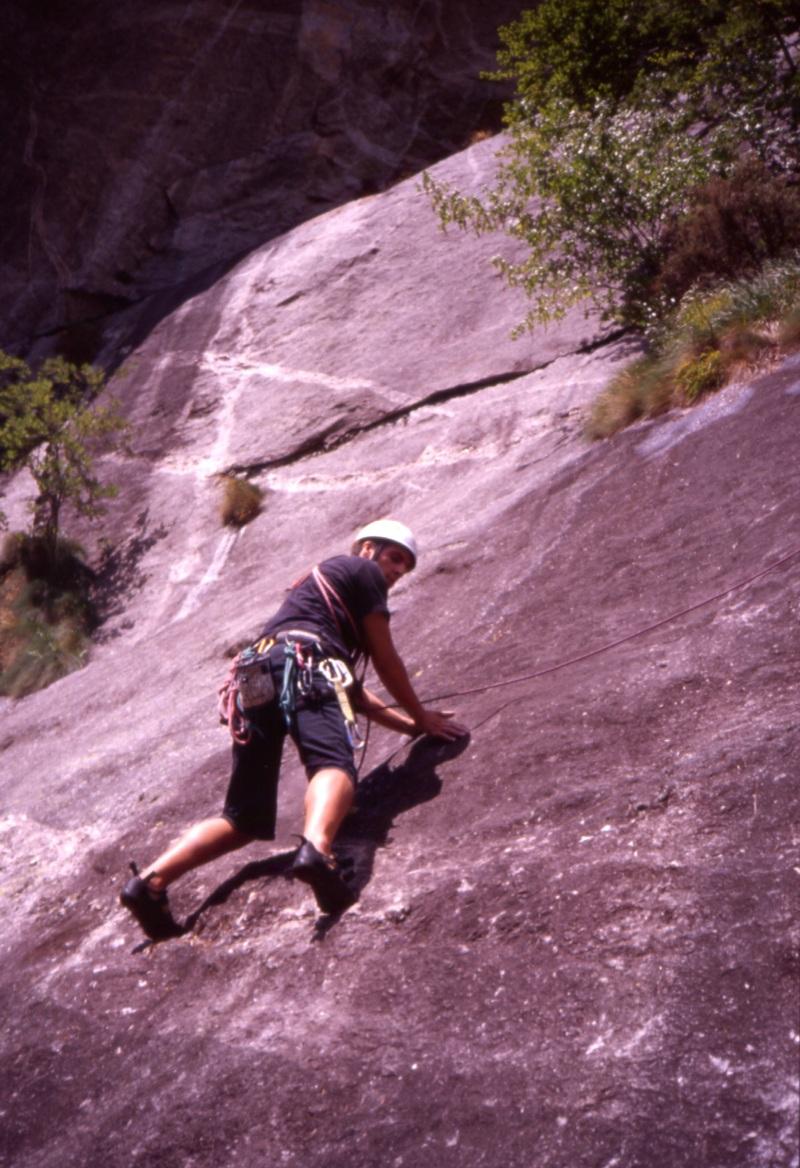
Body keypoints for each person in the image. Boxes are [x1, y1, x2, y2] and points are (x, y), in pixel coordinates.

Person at [121, 519, 466, 938]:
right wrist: (422, 712)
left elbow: (351, 691)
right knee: (333, 764)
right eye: (395, 558)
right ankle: (319, 851)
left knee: (243, 819)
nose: (395, 572)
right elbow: (384, 658)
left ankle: (150, 882)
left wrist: (410, 726)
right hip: (305, 663)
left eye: (405, 569)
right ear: (368, 549)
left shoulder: (318, 596)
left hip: (257, 672)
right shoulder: (363, 572)